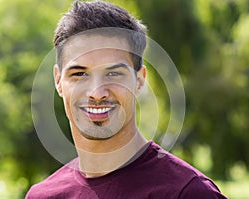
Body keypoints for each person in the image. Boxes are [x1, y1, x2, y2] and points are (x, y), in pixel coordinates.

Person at [26, 1, 227, 198]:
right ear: (59, 81)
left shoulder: (188, 193)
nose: (97, 92)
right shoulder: (42, 195)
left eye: (113, 74)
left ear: (139, 81)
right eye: (79, 74)